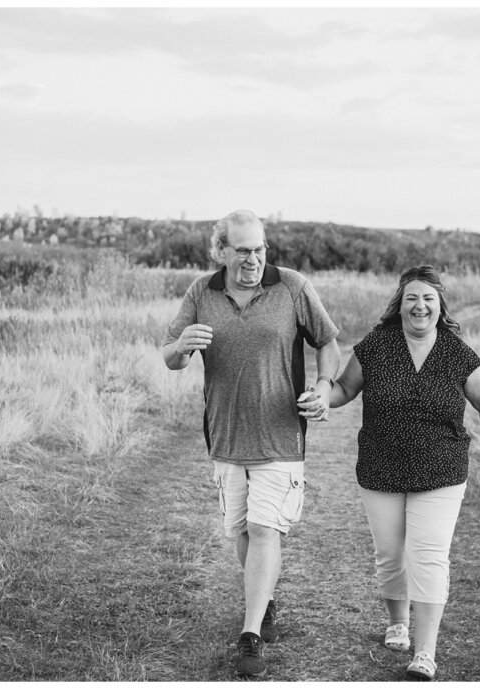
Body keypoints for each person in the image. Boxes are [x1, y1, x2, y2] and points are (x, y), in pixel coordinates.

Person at [298, 264, 480, 681]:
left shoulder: (456, 351)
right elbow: (344, 389)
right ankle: (397, 622)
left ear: (439, 305)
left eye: (428, 298)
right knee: (392, 555)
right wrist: (322, 399)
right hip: (380, 467)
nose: (420, 305)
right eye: (412, 297)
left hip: (441, 470)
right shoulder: (377, 345)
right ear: (400, 303)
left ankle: (426, 652)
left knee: (428, 557)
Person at [162, 209, 340, 678]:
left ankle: (251, 637)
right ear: (220, 252)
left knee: (265, 531)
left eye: (259, 249)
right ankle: (265, 601)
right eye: (242, 251)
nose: (253, 259)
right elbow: (169, 357)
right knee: (241, 533)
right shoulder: (202, 291)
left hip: (280, 435)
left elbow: (327, 342)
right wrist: (181, 347)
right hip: (225, 436)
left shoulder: (292, 287)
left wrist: (323, 388)